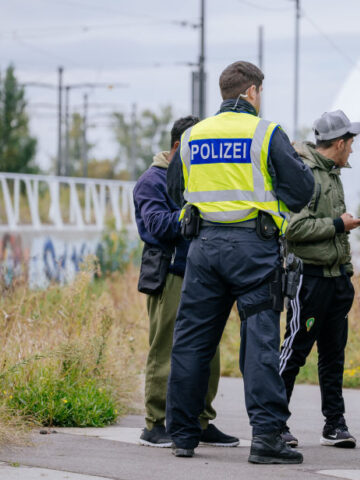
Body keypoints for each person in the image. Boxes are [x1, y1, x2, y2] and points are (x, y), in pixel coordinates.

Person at [165, 61, 315, 464]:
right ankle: (266, 438)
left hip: (204, 248)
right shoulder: (266, 133)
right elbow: (302, 190)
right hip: (254, 249)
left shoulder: (194, 135)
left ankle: (181, 434)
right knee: (260, 343)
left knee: (193, 341)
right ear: (252, 92)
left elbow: (175, 188)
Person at [133, 116, 239, 449]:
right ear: (178, 147)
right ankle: (155, 422)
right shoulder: (152, 180)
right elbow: (154, 225)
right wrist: (191, 216)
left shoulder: (196, 177)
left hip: (202, 273)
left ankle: (200, 420)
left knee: (207, 352)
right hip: (171, 274)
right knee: (165, 349)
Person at [278, 110, 360, 449]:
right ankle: (275, 422)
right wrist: (338, 225)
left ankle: (335, 424)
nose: (353, 151)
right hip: (309, 280)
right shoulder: (307, 174)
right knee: (294, 351)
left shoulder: (332, 173)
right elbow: (294, 228)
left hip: (336, 280)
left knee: (333, 355)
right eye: (351, 143)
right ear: (340, 143)